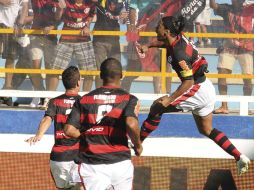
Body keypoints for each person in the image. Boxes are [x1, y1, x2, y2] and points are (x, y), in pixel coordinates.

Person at [139, 16, 250, 176]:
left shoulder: (179, 54)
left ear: (167, 32)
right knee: (206, 130)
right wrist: (148, 45)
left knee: (157, 107)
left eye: (159, 26)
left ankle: (137, 144)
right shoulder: (177, 37)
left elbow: (188, 82)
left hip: (195, 88)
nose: (156, 27)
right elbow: (165, 43)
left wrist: (169, 99)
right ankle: (240, 157)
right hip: (206, 87)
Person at [64, 58, 143, 190]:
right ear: (122, 75)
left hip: (92, 162)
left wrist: (87, 136)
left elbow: (68, 130)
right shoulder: (130, 99)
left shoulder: (84, 100)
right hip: (120, 162)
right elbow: (131, 124)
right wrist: (138, 145)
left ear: (101, 75)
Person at [25, 66, 83, 190]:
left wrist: (38, 135)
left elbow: (47, 119)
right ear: (78, 82)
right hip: (78, 156)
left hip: (58, 158)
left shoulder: (54, 102)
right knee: (82, 186)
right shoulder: (84, 102)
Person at [210, 0, 254, 114]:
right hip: (228, 46)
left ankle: (246, 106)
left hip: (246, 47)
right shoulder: (226, 8)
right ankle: (224, 106)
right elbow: (213, 5)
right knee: (222, 73)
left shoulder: (250, 8)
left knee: (248, 78)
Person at [49, 0, 97, 92]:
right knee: (54, 70)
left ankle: (85, 99)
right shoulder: (66, 2)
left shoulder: (91, 3)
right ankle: (48, 99)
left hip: (83, 39)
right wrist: (60, 9)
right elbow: (57, 18)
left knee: (89, 72)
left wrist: (87, 26)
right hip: (66, 39)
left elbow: (91, 15)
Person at [93, 0, 128, 88]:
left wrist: (124, 18)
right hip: (99, 40)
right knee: (99, 71)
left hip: (114, 40)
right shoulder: (101, 1)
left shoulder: (122, 4)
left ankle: (115, 94)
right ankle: (99, 93)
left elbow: (123, 21)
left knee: (116, 70)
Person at [0, 0, 29, 105]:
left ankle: (7, 91)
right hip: (2, 24)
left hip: (11, 26)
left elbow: (25, 6)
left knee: (10, 57)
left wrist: (20, 24)